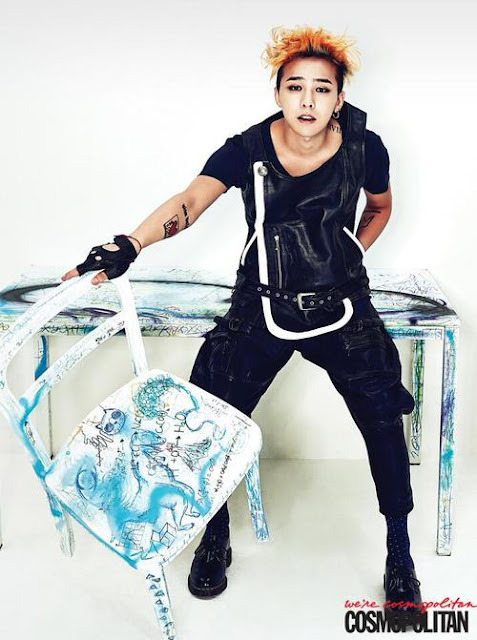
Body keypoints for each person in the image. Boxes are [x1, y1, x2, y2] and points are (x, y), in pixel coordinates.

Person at [62, 25, 422, 622]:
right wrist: (132, 242)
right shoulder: (247, 148)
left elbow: (381, 206)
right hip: (261, 302)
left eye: (322, 89)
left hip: (341, 303)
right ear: (278, 93)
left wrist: (352, 250)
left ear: (339, 97)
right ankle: (215, 534)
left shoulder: (367, 147)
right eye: (295, 86)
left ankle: (400, 551)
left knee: (383, 416)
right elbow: (189, 202)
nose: (308, 100)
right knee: (210, 414)